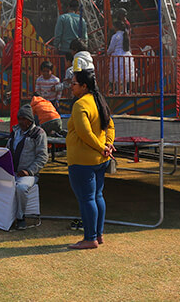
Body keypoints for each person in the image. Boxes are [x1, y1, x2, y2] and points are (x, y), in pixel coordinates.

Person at [66, 69, 115, 250]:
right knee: (97, 196)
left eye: (74, 84)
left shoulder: (80, 105)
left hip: (82, 161)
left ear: (84, 86)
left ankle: (90, 238)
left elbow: (84, 133)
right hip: (100, 160)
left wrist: (103, 147)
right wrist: (107, 145)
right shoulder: (99, 101)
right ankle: (98, 235)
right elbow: (110, 125)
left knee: (87, 199)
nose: (71, 87)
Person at [6, 104, 48, 230]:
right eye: (20, 118)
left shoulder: (38, 133)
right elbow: (7, 150)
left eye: (24, 119)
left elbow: (43, 157)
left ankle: (20, 217)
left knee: (22, 187)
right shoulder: (15, 131)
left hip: (29, 173)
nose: (21, 121)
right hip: (11, 171)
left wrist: (29, 171)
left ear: (30, 120)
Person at [107, 10, 134, 94]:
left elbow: (111, 48)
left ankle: (118, 91)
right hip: (126, 55)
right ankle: (125, 91)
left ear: (116, 27)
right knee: (125, 75)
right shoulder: (125, 35)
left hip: (117, 56)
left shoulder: (115, 36)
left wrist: (107, 53)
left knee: (117, 74)